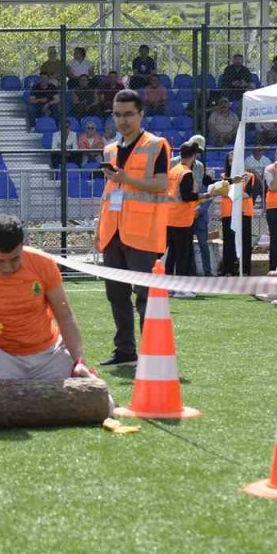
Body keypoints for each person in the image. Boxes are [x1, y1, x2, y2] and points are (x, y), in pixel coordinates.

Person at [0, 215, 94, 381]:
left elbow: (65, 316)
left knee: (92, 392)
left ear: (23, 246)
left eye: (15, 259)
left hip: (48, 352)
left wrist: (78, 361)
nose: (7, 268)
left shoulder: (43, 263)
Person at [95, 90, 171, 368]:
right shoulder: (110, 149)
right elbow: (109, 192)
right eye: (117, 114)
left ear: (141, 115)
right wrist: (99, 229)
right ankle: (125, 350)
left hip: (142, 232)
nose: (122, 120)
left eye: (128, 114)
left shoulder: (156, 145)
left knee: (145, 296)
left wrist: (127, 178)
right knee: (116, 294)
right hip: (113, 231)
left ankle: (152, 352)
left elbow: (161, 184)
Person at [164, 140, 204, 297]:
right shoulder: (186, 173)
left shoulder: (173, 170)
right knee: (183, 255)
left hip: (171, 217)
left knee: (172, 254)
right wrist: (206, 195)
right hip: (182, 219)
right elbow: (187, 196)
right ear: (193, 156)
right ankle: (182, 288)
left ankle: (168, 287)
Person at [214, 172, 253, 276]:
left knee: (245, 242)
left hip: (244, 212)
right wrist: (238, 195)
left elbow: (248, 194)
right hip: (228, 213)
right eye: (230, 162)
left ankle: (245, 270)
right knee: (228, 242)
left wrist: (230, 194)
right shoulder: (224, 176)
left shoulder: (249, 176)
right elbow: (221, 192)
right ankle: (228, 270)